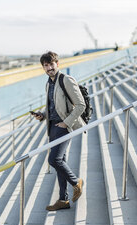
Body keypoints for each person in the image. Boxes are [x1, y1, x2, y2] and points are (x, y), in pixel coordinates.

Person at [32, 51, 85, 211]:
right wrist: (42, 115)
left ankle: (76, 182)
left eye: (51, 64)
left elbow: (80, 105)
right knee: (60, 160)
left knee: (54, 160)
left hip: (64, 127)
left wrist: (66, 123)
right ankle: (63, 200)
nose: (49, 68)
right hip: (53, 126)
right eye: (46, 65)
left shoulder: (66, 80)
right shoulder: (49, 83)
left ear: (57, 64)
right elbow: (53, 106)